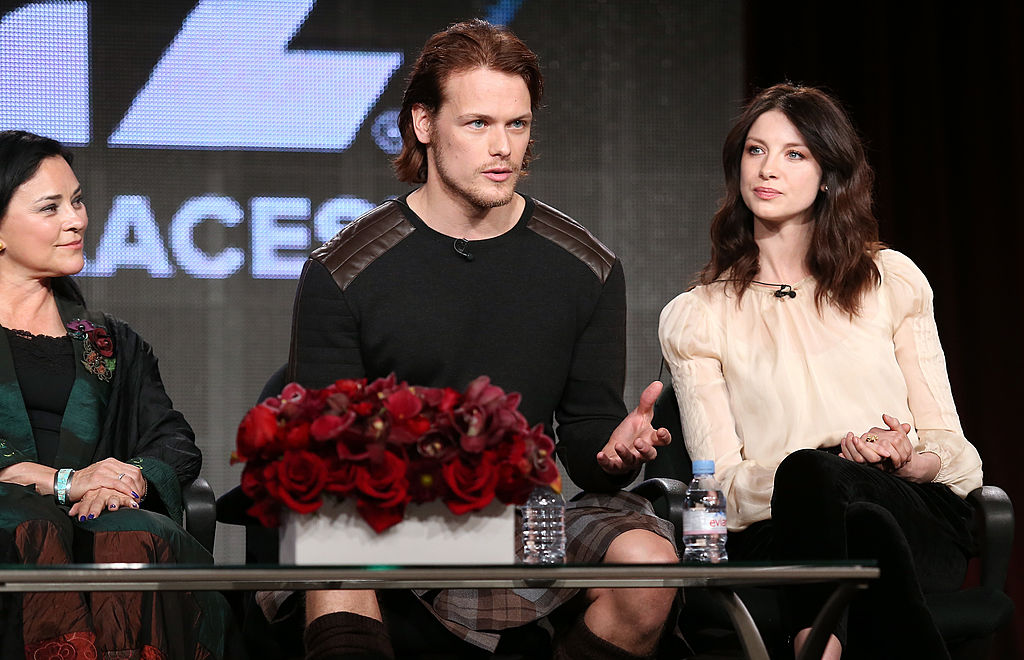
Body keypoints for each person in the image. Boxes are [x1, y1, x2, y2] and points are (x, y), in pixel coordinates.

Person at [285, 18, 679, 660]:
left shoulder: (586, 267)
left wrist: (614, 451)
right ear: (423, 124)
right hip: (389, 511)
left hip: (526, 519)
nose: (502, 147)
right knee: (330, 537)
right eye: (477, 124)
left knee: (649, 563)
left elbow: (585, 441)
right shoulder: (345, 269)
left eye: (516, 125)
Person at [659, 83, 983, 660]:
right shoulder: (699, 316)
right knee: (833, 494)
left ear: (828, 175)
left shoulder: (890, 281)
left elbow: (957, 455)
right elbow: (720, 486)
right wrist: (818, 473)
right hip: (779, 531)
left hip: (914, 514)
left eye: (794, 154)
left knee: (861, 513)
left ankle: (815, 646)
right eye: (755, 151)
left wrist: (908, 459)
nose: (767, 169)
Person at [0, 130, 237, 659]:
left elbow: (172, 441)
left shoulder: (110, 342)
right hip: (17, 529)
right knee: (34, 525)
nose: (76, 220)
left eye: (77, 200)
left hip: (99, 522)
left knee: (129, 533)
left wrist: (126, 479)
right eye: (50, 208)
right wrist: (63, 483)